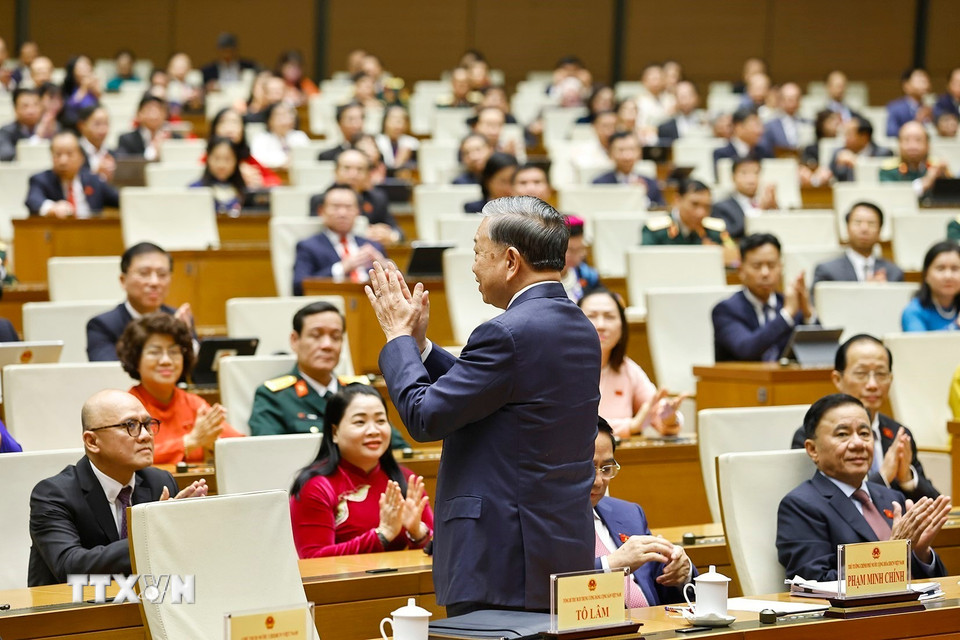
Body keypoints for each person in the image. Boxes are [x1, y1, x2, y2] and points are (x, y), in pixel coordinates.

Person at [366, 195, 601, 613]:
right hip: (559, 552)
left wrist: (397, 337)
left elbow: (424, 417)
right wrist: (420, 348)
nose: (473, 266)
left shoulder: (506, 333)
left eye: (478, 253)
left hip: (500, 560)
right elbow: (497, 391)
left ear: (510, 261)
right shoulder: (579, 326)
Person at [27, 389, 208, 586]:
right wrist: (150, 532)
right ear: (92, 441)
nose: (146, 436)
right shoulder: (53, 494)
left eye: (147, 425)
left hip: (144, 604)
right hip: (73, 610)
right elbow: (70, 567)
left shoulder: (159, 483)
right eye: (131, 425)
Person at [776, 393, 951, 581]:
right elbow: (816, 583)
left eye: (864, 433)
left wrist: (920, 553)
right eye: (842, 434)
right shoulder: (800, 506)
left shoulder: (892, 498)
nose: (858, 443)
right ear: (812, 450)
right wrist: (892, 553)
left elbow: (930, 583)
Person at [789, 334, 939, 501]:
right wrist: (883, 477)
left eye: (881, 374)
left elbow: (935, 506)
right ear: (838, 379)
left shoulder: (898, 433)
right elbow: (816, 502)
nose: (873, 385)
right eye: (861, 374)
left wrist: (907, 479)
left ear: (891, 379)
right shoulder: (811, 436)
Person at [289, 384, 432, 558]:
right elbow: (313, 559)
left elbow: (441, 551)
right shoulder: (316, 487)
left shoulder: (405, 479)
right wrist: (381, 535)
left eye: (380, 421)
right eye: (360, 422)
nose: (373, 431)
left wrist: (418, 534)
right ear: (334, 432)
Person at [247, 301, 408, 447]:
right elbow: (268, 454)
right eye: (316, 336)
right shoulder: (274, 397)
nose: (327, 345)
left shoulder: (359, 391)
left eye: (335, 337)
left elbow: (399, 449)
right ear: (295, 340)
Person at [591, 418, 694, 606]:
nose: (598, 481)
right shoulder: (539, 523)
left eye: (606, 469)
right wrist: (610, 565)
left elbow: (662, 583)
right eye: (588, 468)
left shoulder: (629, 514)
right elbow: (545, 586)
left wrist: (681, 572)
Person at [118, 313, 242, 464]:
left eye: (174, 352)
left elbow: (241, 447)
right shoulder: (125, 408)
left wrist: (216, 444)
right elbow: (124, 457)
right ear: (135, 359)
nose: (166, 360)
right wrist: (189, 442)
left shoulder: (194, 404)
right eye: (155, 352)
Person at [579, 289, 684, 437]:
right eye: (591, 316)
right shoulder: (558, 367)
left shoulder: (628, 370)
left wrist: (669, 418)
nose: (601, 325)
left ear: (622, 327)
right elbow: (568, 425)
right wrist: (630, 426)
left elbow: (657, 412)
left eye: (609, 317)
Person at [713, 233, 817, 362]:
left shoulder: (789, 304)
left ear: (781, 268)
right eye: (757, 266)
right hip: (744, 381)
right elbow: (746, 350)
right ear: (741, 271)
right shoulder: (726, 310)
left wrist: (808, 313)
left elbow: (822, 351)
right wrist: (786, 315)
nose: (765, 273)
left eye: (772, 266)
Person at [87, 242, 194, 361]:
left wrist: (185, 338)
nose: (154, 282)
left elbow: (197, 372)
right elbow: (107, 371)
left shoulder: (178, 318)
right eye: (144, 273)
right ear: (123, 280)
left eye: (162, 274)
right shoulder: (103, 325)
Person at [293, 184, 386, 294]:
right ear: (321, 211)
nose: (342, 213)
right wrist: (341, 268)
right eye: (335, 207)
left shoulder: (373, 245)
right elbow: (299, 285)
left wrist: (385, 266)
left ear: (358, 211)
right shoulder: (308, 246)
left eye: (349, 207)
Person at [310, 148, 401, 245]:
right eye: (347, 168)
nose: (353, 174)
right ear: (336, 172)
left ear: (368, 174)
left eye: (360, 169)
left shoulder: (377, 198)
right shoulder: (320, 200)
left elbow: (398, 231)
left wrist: (390, 236)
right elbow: (316, 234)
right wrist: (363, 233)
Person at [641, 180, 738, 266]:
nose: (701, 213)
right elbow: (644, 263)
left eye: (707, 207)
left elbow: (735, 258)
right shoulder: (655, 230)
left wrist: (717, 254)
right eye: (694, 204)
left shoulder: (716, 230)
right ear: (677, 200)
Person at [25, 130, 119, 217]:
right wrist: (52, 208)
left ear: (81, 158)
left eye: (69, 154)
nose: (63, 161)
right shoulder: (41, 180)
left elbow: (120, 200)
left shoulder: (94, 180)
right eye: (57, 154)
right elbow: (33, 200)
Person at [812, 202, 904, 288]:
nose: (864, 229)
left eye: (871, 224)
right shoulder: (828, 270)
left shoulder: (893, 273)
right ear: (847, 228)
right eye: (857, 222)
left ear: (879, 232)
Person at [208, 107, 280, 188]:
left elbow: (275, 181)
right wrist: (237, 176)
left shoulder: (247, 159)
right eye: (224, 122)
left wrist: (259, 182)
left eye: (234, 122)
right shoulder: (207, 158)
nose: (230, 128)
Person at [592, 131, 665, 207]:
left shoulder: (650, 183)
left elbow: (660, 209)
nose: (627, 156)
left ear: (640, 153)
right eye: (621, 150)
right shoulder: (599, 183)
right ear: (610, 153)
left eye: (631, 149)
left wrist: (642, 196)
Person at [710, 157, 777, 240]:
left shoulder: (766, 203)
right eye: (744, 173)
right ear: (733, 177)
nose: (751, 179)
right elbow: (729, 234)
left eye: (756, 173)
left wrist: (774, 209)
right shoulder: (721, 207)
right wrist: (760, 212)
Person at [879, 121, 952, 196]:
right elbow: (893, 196)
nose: (912, 146)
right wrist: (927, 180)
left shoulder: (937, 167)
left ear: (928, 145)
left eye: (918, 140)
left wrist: (947, 177)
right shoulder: (888, 169)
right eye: (906, 140)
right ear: (899, 144)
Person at [901, 241, 960, 331]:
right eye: (940, 269)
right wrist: (956, 326)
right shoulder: (914, 311)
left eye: (955, 269)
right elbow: (919, 344)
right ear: (926, 275)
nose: (948, 276)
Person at [712, 106, 772, 179]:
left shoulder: (764, 152)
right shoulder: (722, 154)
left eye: (761, 125)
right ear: (738, 127)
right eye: (756, 125)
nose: (760, 130)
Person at [829, 116, 894, 182]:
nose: (845, 138)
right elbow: (832, 178)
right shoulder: (839, 153)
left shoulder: (884, 154)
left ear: (864, 137)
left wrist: (856, 162)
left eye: (849, 134)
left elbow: (884, 179)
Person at [190, 137, 246, 215]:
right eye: (217, 158)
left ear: (236, 161)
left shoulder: (245, 191)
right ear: (208, 159)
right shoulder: (195, 190)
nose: (221, 165)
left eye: (227, 159)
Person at [249, 101, 309, 170]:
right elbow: (258, 161)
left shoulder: (300, 136)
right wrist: (284, 162)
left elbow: (307, 157)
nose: (286, 119)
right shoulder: (261, 138)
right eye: (280, 115)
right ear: (269, 120)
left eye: (288, 114)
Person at [115, 94, 171, 160]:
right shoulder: (127, 140)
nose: (154, 114)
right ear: (139, 114)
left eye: (158, 109)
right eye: (150, 109)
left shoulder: (174, 138)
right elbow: (125, 164)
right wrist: (152, 149)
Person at [560, 215, 598, 302]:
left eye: (580, 249)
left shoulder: (587, 274)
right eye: (570, 250)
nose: (576, 256)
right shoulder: (543, 278)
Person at [886, 68, 932, 137]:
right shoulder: (895, 108)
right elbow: (891, 131)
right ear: (906, 85)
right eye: (920, 81)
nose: (924, 84)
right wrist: (917, 121)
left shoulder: (933, 106)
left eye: (926, 81)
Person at [0, 87, 43, 161]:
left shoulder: (53, 129)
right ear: (15, 109)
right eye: (25, 106)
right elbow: (4, 154)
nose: (31, 111)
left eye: (35, 105)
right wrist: (36, 139)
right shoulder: (6, 131)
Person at [761, 82, 807, 151]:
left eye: (796, 99)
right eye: (790, 100)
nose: (793, 103)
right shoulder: (769, 125)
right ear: (780, 101)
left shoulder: (808, 123)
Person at [60, 55, 100, 129]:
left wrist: (94, 88)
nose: (86, 69)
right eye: (81, 67)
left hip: (92, 126)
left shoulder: (94, 85)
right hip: (72, 125)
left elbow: (98, 105)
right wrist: (83, 88)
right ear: (73, 70)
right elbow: (70, 109)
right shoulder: (65, 88)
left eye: (88, 65)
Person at [76, 105, 116, 182]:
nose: (102, 129)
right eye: (97, 124)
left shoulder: (113, 154)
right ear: (82, 125)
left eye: (106, 124)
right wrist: (95, 174)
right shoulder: (74, 151)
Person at [375, 105, 418, 172]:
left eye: (401, 120)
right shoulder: (376, 142)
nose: (397, 125)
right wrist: (399, 161)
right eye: (393, 119)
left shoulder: (413, 144)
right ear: (385, 121)